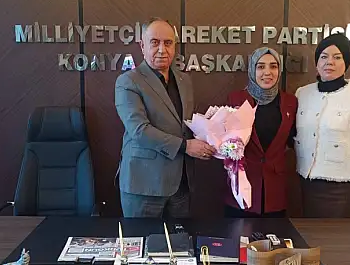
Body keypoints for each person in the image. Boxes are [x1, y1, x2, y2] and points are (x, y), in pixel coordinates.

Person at [115, 18, 215, 218]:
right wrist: (186, 146)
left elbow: (182, 124)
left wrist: (210, 130)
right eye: (155, 42)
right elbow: (139, 130)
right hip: (144, 185)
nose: (162, 49)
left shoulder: (184, 80)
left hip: (181, 185)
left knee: (179, 238)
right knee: (143, 238)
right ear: (142, 46)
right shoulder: (128, 81)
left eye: (168, 43)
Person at [294, 32, 350, 218]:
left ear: (346, 63)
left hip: (342, 189)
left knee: (340, 236)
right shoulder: (302, 93)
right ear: (317, 63)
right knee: (309, 234)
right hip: (307, 184)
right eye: (324, 57)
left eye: (337, 57)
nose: (329, 62)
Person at [224, 47, 298, 218]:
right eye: (260, 66)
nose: (267, 72)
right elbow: (224, 141)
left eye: (273, 66)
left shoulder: (290, 102)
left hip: (274, 191)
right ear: (252, 70)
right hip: (241, 189)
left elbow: (293, 139)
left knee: (275, 235)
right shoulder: (235, 99)